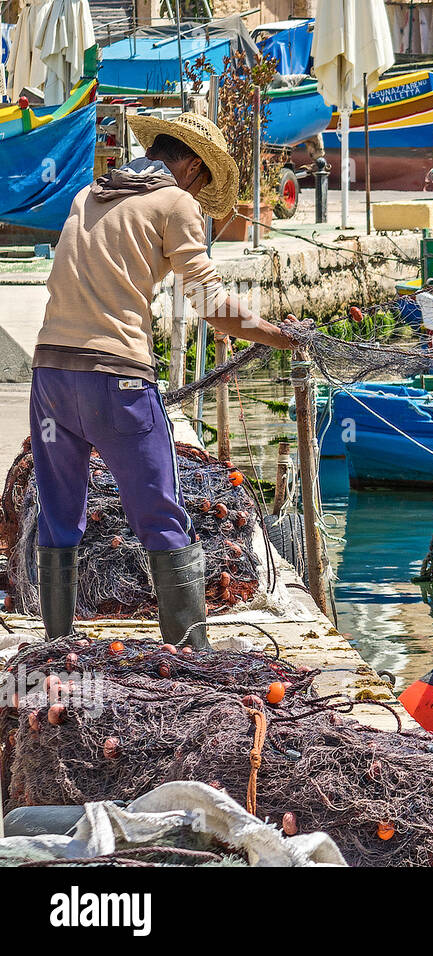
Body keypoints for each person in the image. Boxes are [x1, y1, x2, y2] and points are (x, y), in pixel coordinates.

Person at [30, 112, 300, 650]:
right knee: (160, 516)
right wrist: (278, 336)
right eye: (202, 183)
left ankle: (58, 647)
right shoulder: (175, 202)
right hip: (117, 383)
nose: (199, 194)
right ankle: (194, 657)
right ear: (194, 166)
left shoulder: (90, 194)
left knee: (60, 515)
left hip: (52, 380)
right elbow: (211, 305)